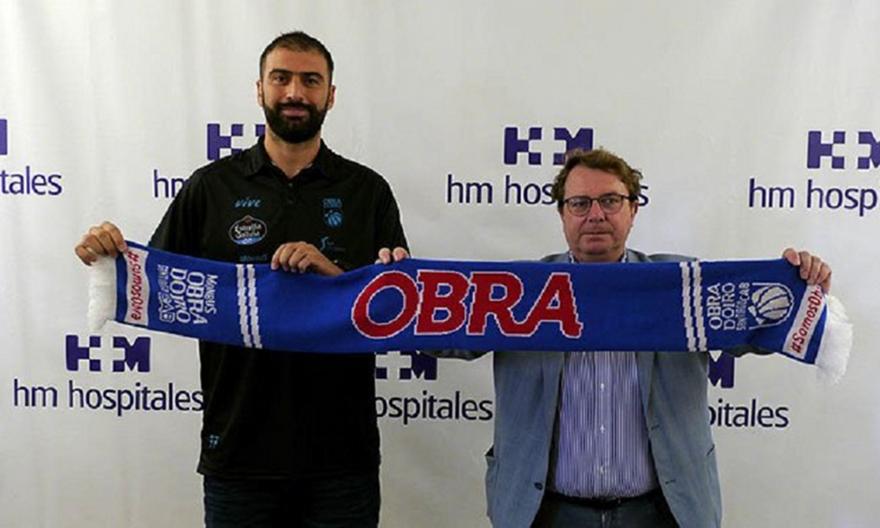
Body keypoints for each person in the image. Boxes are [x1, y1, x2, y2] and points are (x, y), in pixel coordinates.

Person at [378, 147, 831, 528]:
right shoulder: (521, 290)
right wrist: (394, 291)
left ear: (634, 210)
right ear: (561, 214)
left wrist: (799, 286)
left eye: (611, 200)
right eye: (579, 203)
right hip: (544, 512)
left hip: (663, 511)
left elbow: (756, 331)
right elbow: (442, 337)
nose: (595, 214)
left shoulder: (679, 286)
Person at [75, 31, 407, 527]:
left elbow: (394, 313)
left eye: (310, 81)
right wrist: (107, 255)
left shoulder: (368, 191)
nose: (294, 92)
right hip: (238, 454)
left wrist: (331, 277)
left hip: (342, 458)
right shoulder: (211, 188)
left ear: (330, 95)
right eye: (281, 78)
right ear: (259, 89)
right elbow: (156, 284)